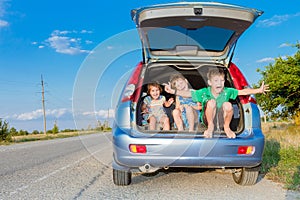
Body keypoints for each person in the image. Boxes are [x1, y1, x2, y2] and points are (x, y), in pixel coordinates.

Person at [164, 68, 269, 138]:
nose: (219, 83)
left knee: (228, 104)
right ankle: (210, 127)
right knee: (212, 102)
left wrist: (258, 90)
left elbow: (243, 91)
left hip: (221, 118)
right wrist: (173, 91)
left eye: (222, 80)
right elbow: (188, 94)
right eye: (216, 81)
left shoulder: (228, 91)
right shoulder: (204, 92)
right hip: (208, 118)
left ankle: (227, 128)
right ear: (210, 83)